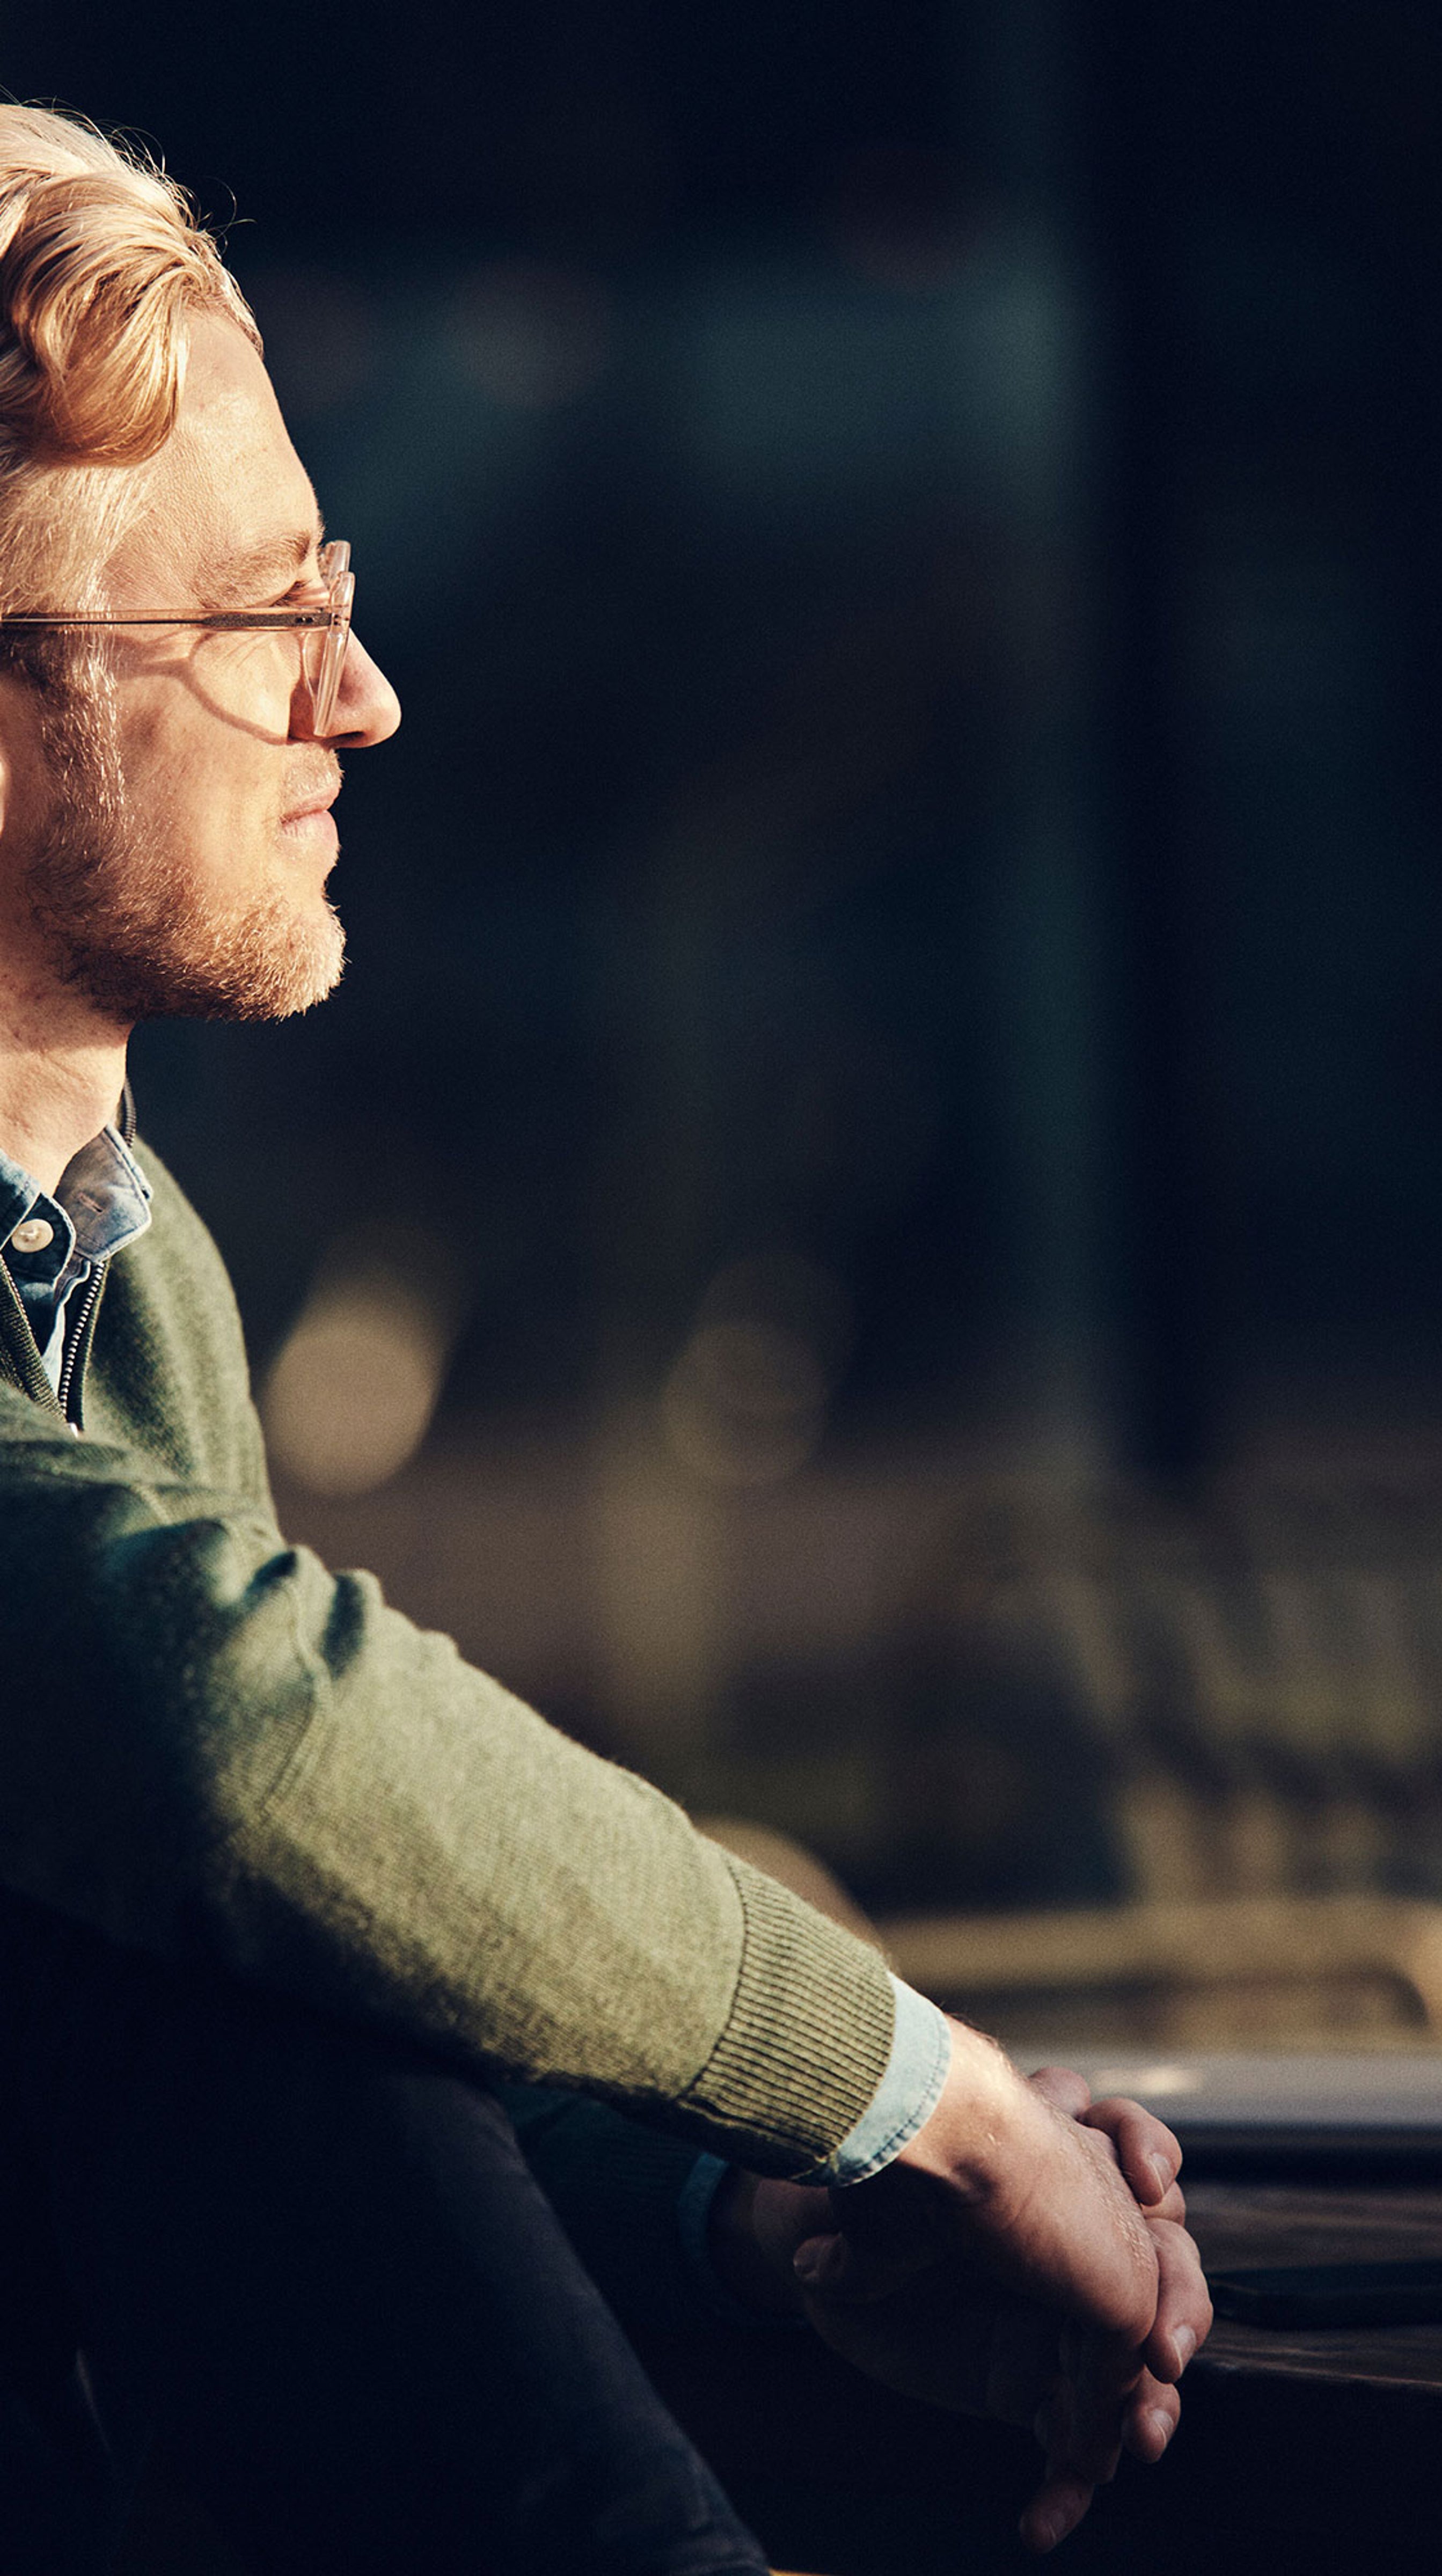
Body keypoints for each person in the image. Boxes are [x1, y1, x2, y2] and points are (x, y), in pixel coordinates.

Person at [0, 106, 1210, 2575]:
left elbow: (285, 1924)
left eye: (333, 585)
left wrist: (755, 2212)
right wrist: (928, 2094)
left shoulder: (139, 1266)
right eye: (253, 621)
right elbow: (231, 1746)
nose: (366, 696)